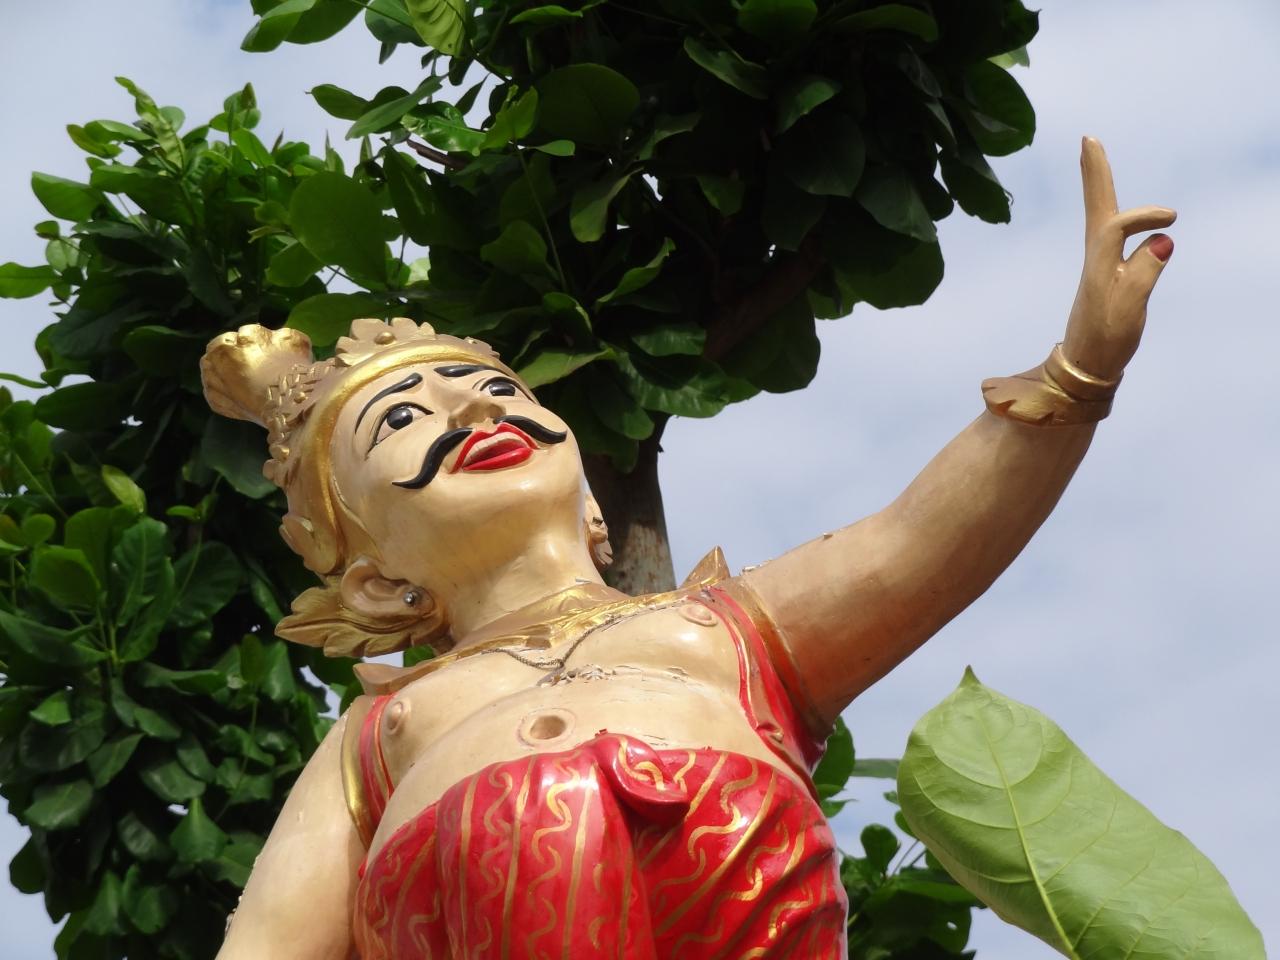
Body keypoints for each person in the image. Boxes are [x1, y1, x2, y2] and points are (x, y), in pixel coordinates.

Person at [199, 139, 1173, 959]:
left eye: (496, 390)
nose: (471, 412)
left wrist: (1078, 367)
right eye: (402, 419)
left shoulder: (723, 632)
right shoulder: (383, 733)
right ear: (376, 581)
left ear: (589, 500)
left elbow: (920, 536)